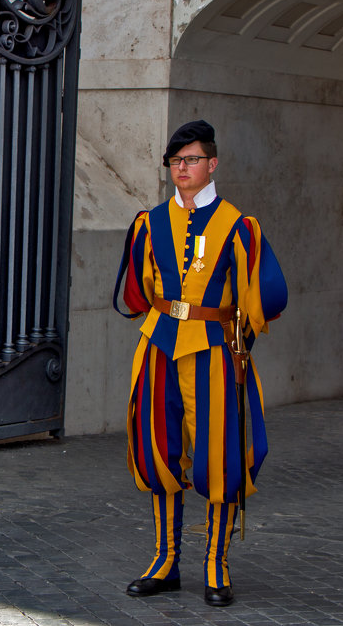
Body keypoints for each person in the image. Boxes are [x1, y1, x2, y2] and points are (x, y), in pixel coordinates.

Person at [112, 120, 287, 606]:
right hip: (159, 346)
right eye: (175, 162)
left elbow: (268, 293)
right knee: (157, 451)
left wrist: (237, 335)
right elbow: (136, 291)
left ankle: (215, 563)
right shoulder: (150, 222)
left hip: (214, 350)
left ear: (212, 164)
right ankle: (165, 561)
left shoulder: (237, 225)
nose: (181, 169)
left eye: (190, 160)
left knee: (220, 455)